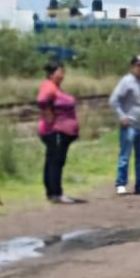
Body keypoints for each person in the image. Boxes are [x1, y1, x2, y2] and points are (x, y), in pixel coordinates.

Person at [109, 53, 140, 194]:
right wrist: (122, 117)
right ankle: (121, 184)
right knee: (125, 155)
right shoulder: (126, 81)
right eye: (139, 65)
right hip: (129, 125)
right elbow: (114, 100)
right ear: (133, 66)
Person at [37, 61, 82, 204]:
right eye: (60, 72)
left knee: (53, 161)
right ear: (51, 73)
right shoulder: (49, 86)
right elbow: (42, 101)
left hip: (59, 131)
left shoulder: (55, 87)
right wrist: (49, 115)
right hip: (54, 130)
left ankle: (52, 193)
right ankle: (56, 193)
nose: (62, 75)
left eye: (63, 72)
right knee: (55, 162)